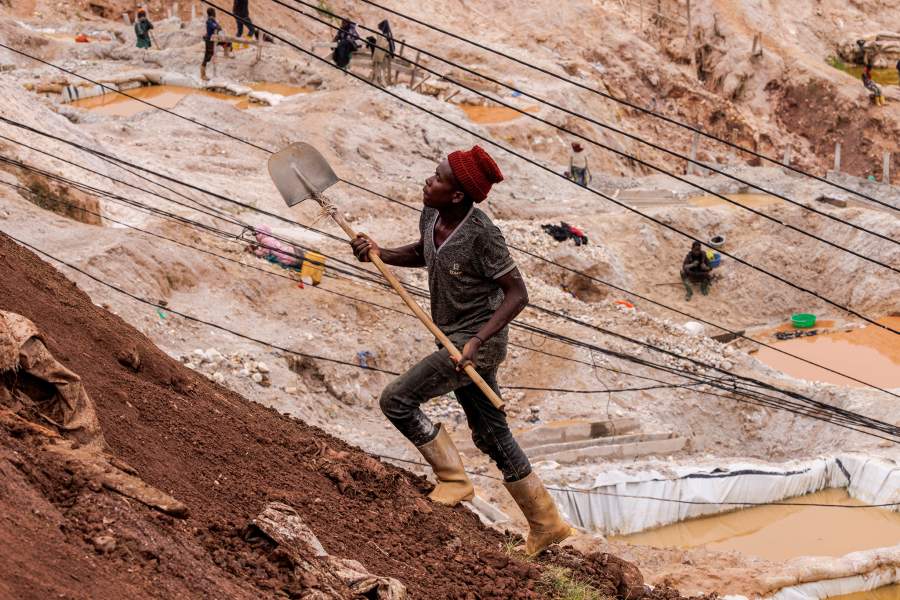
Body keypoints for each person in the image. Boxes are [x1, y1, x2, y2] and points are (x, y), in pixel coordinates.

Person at [350, 146, 574, 557]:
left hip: (476, 345)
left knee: (397, 400)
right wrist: (381, 254)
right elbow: (423, 252)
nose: (427, 181)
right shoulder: (432, 214)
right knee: (491, 433)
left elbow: (517, 294)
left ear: (457, 195)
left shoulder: (483, 234)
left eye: (436, 179)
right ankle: (548, 524)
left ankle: (454, 479)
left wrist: (476, 342)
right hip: (450, 339)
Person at [201, 7, 230, 81]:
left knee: (227, 42)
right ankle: (203, 75)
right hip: (210, 41)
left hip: (215, 39)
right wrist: (217, 26)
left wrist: (217, 26)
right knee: (207, 57)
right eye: (214, 13)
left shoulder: (213, 21)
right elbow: (216, 27)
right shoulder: (209, 21)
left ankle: (226, 54)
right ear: (213, 13)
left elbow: (219, 28)